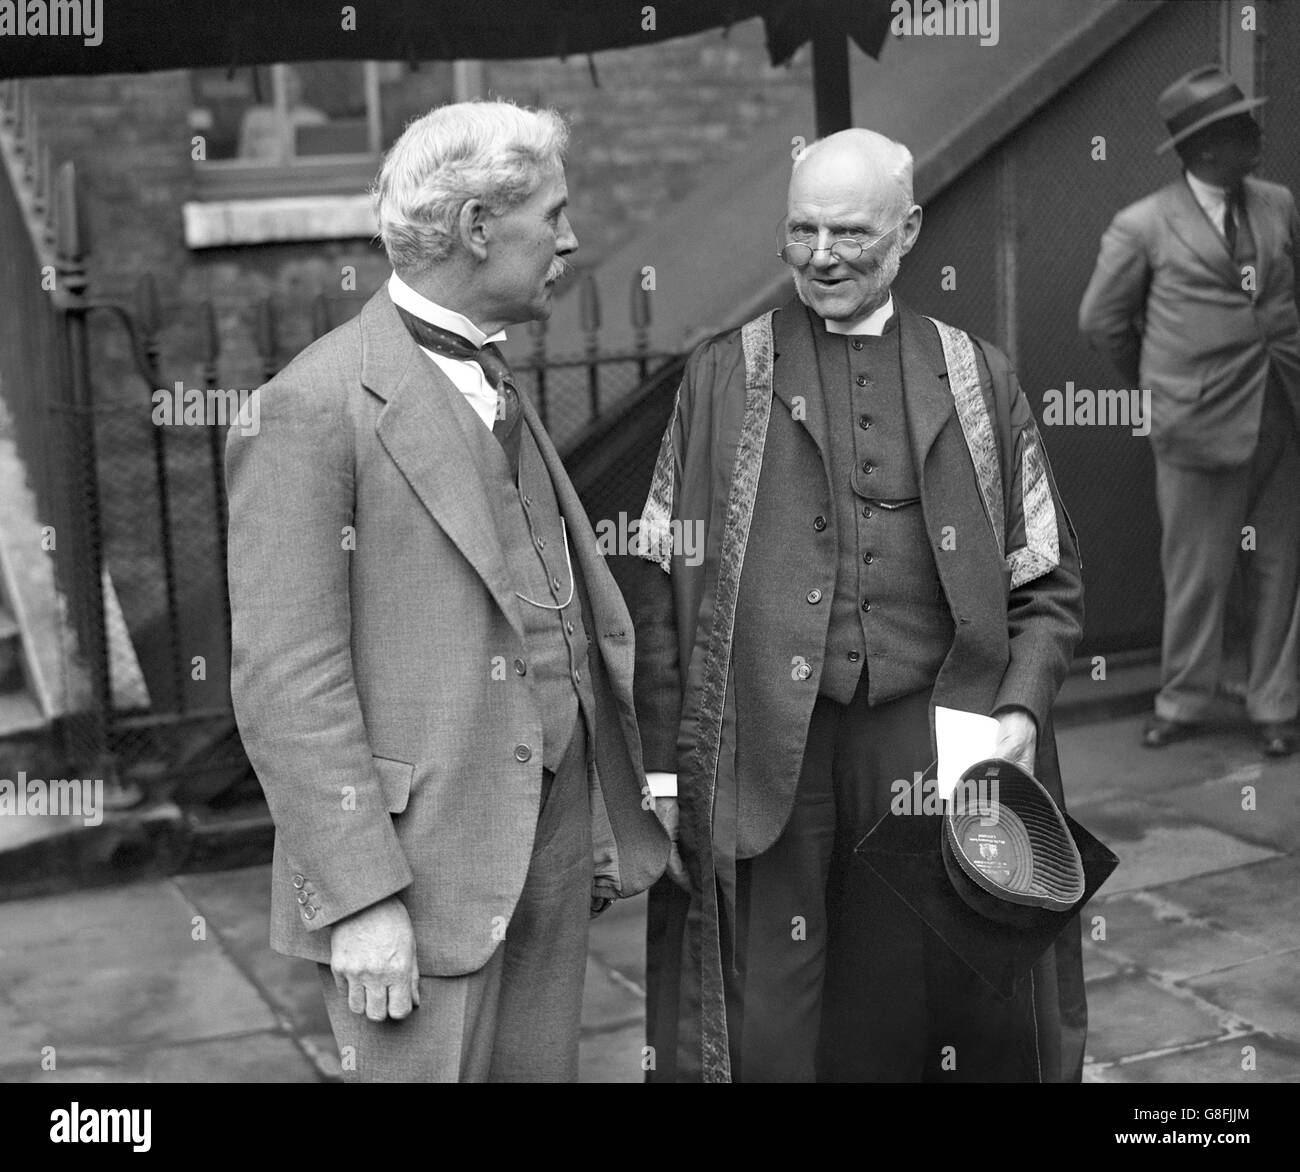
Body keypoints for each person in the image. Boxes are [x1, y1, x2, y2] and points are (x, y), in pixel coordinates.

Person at [226, 101, 669, 1082]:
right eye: (551, 214)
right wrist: (359, 898)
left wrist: (592, 815)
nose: (571, 237)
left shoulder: (493, 374)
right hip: (415, 875)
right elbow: (285, 680)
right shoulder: (310, 403)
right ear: (476, 228)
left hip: (542, 842)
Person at [632, 128, 1086, 1082]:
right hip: (766, 745)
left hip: (933, 737)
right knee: (768, 1022)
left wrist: (1019, 712)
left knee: (927, 1008)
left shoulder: (977, 375)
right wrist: (667, 775)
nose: (822, 257)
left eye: (849, 234)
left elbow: (1043, 581)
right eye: (801, 232)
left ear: (910, 230)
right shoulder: (721, 376)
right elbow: (657, 591)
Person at [1079, 64, 1300, 759]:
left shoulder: (1277, 203)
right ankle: (1183, 701)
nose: (1257, 135)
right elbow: (1102, 320)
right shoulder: (1143, 225)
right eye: (1241, 129)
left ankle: (1274, 704)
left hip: (1282, 411)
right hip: (1197, 425)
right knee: (1198, 572)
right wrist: (1163, 382)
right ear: (1204, 148)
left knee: (1279, 568)